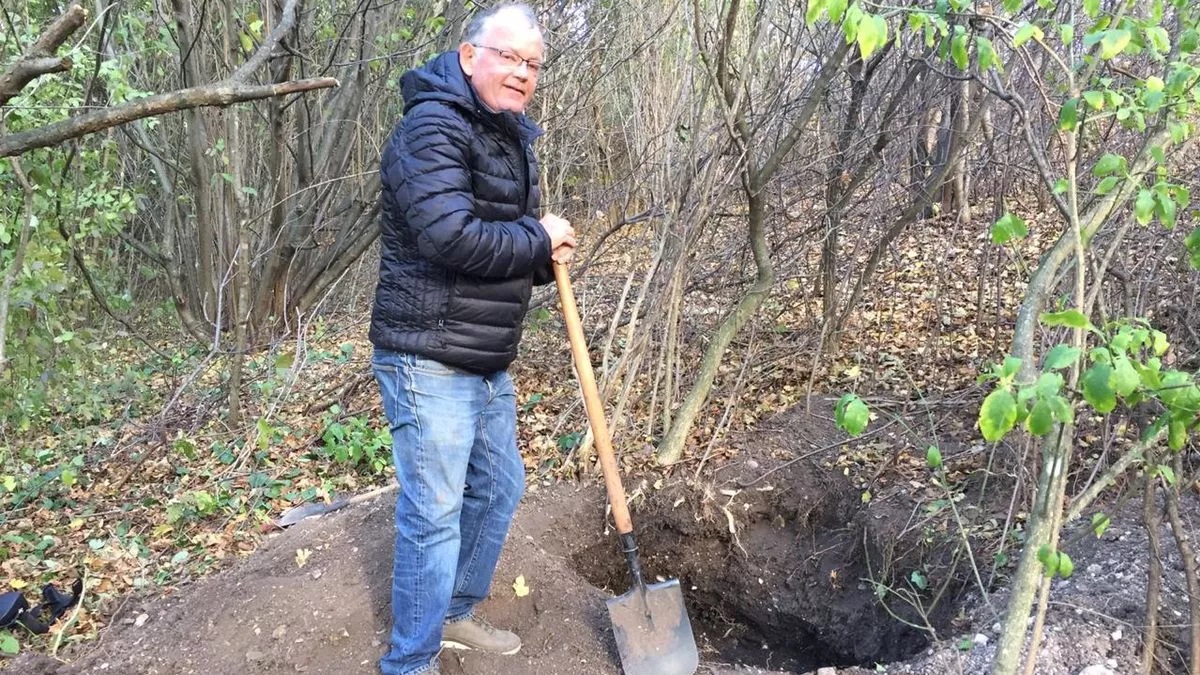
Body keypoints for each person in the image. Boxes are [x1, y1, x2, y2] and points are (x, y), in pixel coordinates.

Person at [368, 4, 575, 674]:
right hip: (427, 356)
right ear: (468, 55)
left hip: (483, 355)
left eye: (533, 64)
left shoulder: (509, 136)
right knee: (434, 512)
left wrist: (544, 254)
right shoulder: (431, 128)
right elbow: (449, 237)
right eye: (509, 56)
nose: (521, 72)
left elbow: (501, 242)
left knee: (499, 488)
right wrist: (535, 237)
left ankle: (453, 609)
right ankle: (410, 660)